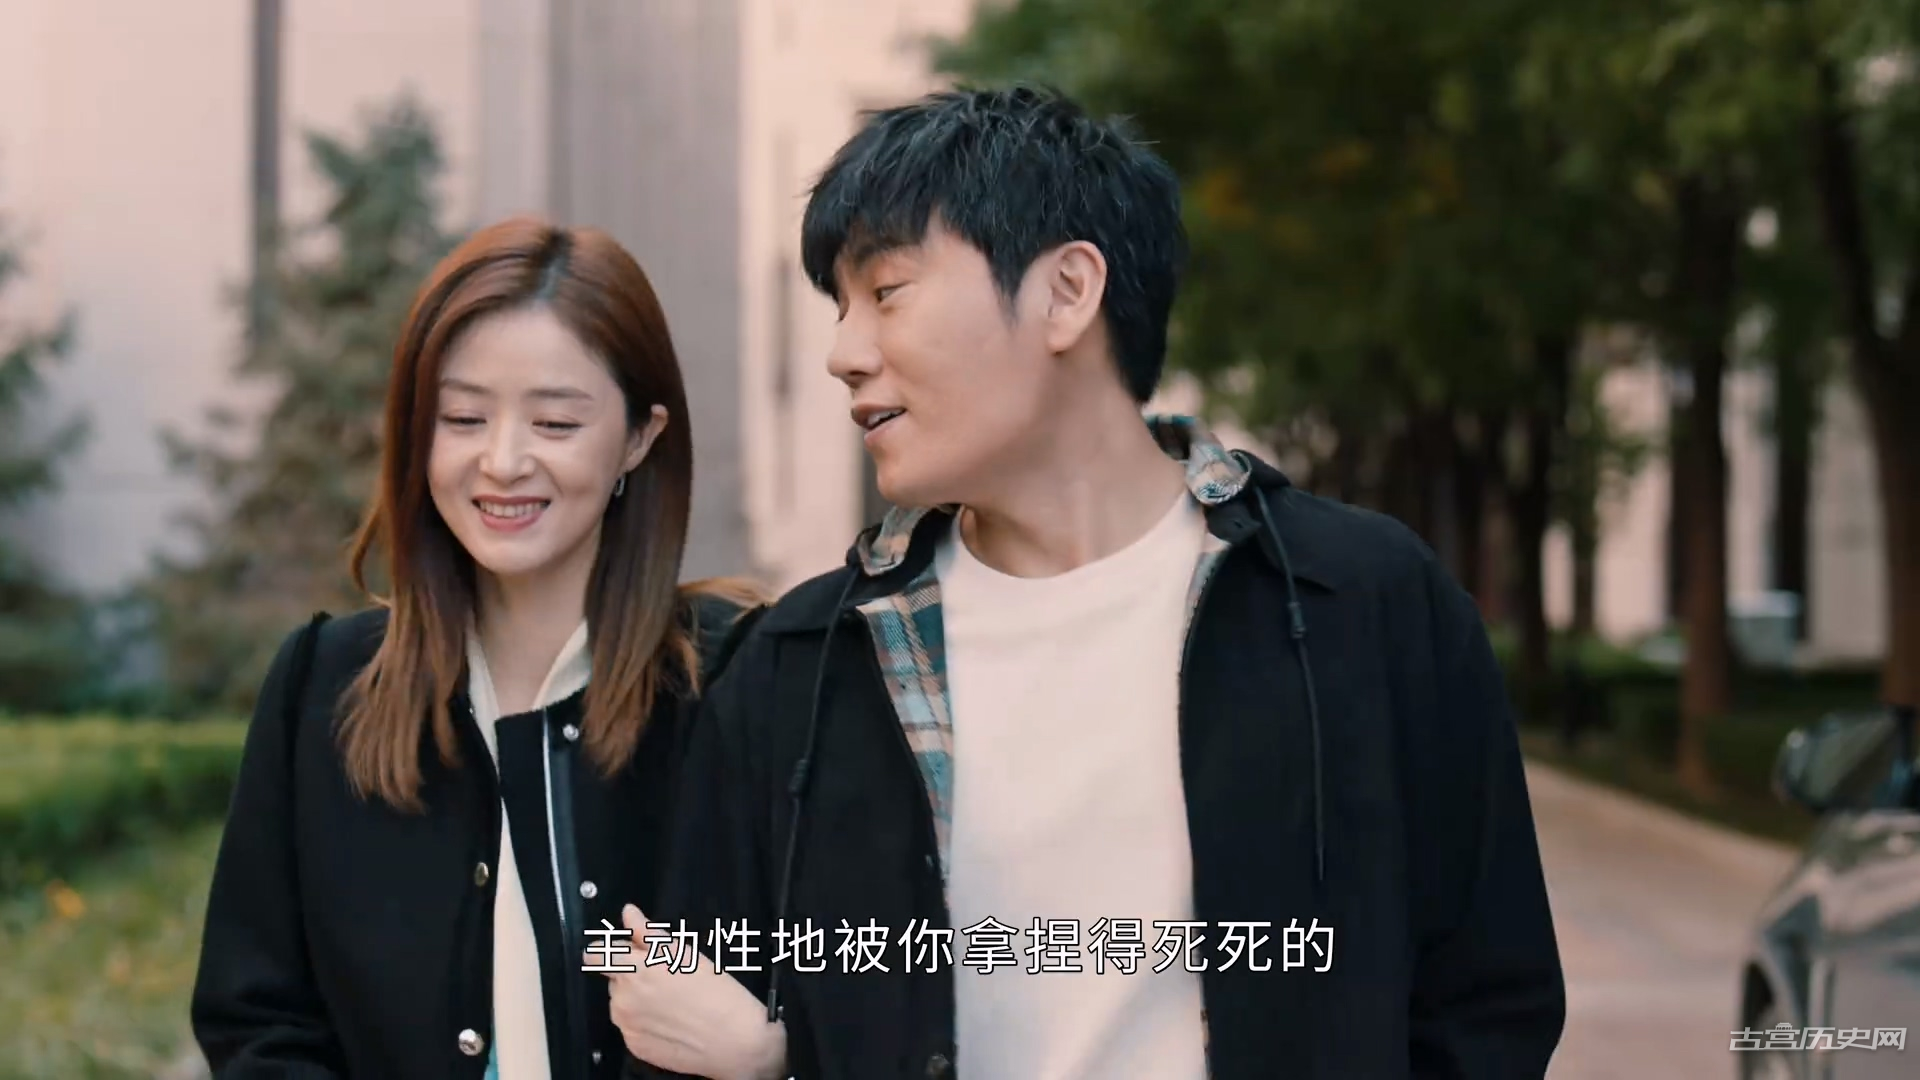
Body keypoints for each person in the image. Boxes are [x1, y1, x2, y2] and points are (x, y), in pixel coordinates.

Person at [633, 85, 1567, 1079]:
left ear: (1068, 291)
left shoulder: (1360, 603)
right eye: (840, 308)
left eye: (888, 291)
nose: (843, 354)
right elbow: (688, 1026)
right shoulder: (800, 666)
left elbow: (1489, 1003)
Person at [189, 216, 783, 1080]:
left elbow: (861, 999)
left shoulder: (743, 682)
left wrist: (770, 1055)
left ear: (640, 436)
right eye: (463, 417)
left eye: (555, 422)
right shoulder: (322, 686)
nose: (502, 461)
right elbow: (256, 1022)